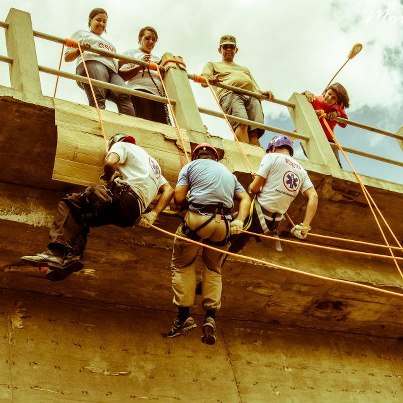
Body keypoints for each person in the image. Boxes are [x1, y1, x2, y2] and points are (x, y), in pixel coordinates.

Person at [21, 133, 174, 281]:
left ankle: (55, 252)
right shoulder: (153, 166)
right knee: (83, 217)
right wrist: (153, 214)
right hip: (131, 214)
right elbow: (169, 190)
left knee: (71, 203)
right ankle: (72, 256)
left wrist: (109, 178)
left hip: (123, 196)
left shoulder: (121, 146)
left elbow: (110, 163)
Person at [164, 143, 251, 344]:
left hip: (198, 220)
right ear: (215, 158)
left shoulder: (190, 166)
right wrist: (239, 220)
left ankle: (184, 316)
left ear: (196, 156)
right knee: (213, 269)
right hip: (224, 225)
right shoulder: (229, 174)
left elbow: (178, 198)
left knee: (182, 265)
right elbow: (245, 198)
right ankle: (210, 317)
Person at [229, 135, 318, 255]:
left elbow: (253, 189)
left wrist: (256, 182)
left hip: (258, 215)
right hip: (273, 223)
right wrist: (305, 226)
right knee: (240, 239)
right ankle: (231, 251)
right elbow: (314, 196)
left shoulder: (271, 157)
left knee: (229, 223)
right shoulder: (302, 170)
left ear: (273, 148)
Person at [201, 35, 274, 146]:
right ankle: (245, 152)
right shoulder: (212, 65)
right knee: (242, 123)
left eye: (231, 47)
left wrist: (262, 93)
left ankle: (256, 155)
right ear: (220, 50)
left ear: (236, 50)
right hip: (230, 94)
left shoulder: (244, 69)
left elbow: (255, 87)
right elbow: (203, 80)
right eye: (225, 47)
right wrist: (210, 79)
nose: (228, 49)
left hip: (251, 96)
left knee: (254, 131)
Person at [64, 8, 135, 117]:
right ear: (90, 20)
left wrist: (122, 62)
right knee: (98, 96)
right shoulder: (81, 33)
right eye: (98, 20)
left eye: (104, 21)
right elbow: (67, 57)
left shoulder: (110, 44)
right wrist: (80, 50)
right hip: (92, 62)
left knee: (125, 95)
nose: (101, 23)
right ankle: (99, 124)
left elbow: (115, 65)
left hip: (112, 71)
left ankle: (129, 126)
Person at [119, 26, 170, 124]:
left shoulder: (159, 59)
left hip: (159, 98)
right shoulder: (132, 53)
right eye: (147, 38)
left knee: (162, 129)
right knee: (143, 125)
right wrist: (139, 66)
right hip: (139, 93)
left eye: (153, 40)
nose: (151, 41)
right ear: (140, 39)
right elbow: (121, 76)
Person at [303, 83, 350, 167]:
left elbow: (344, 124)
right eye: (329, 94)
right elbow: (299, 101)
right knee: (317, 163)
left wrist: (337, 114)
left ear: (337, 101)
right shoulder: (314, 99)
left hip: (329, 141)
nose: (329, 98)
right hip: (310, 137)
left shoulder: (338, 108)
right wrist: (305, 93)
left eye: (334, 98)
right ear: (325, 92)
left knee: (336, 167)